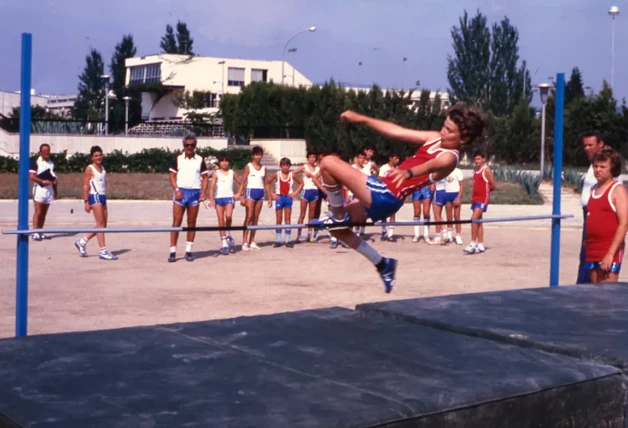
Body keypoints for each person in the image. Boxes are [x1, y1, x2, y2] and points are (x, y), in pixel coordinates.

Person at [314, 103, 484, 292]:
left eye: (449, 130)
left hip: (386, 194)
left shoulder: (452, 157)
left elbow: (430, 166)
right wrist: (363, 119)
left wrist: (409, 173)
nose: (443, 131)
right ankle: (383, 264)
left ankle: (337, 214)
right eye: (444, 125)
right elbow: (398, 132)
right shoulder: (435, 138)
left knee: (328, 162)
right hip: (386, 195)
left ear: (464, 138)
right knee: (337, 230)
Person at [585, 147, 627, 283]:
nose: (598, 170)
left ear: (612, 169)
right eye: (596, 166)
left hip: (609, 250)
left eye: (603, 166)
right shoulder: (593, 189)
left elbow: (624, 223)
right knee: (594, 295)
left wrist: (610, 254)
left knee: (607, 297)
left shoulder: (617, 190)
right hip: (592, 250)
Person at [168, 135, 209, 262]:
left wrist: (203, 192)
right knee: (176, 221)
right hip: (181, 192)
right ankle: (173, 251)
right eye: (187, 145)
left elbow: (205, 177)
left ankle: (188, 251)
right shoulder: (178, 158)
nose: (189, 147)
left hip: (194, 193)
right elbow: (171, 176)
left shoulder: (200, 159)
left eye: (192, 145)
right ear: (184, 146)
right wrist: (176, 190)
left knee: (192, 223)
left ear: (195, 146)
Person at [74, 146, 118, 260]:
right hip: (94, 196)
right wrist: (86, 201)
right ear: (92, 157)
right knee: (100, 224)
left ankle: (82, 242)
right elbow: (85, 186)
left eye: (100, 155)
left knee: (103, 225)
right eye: (96, 156)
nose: (98, 157)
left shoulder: (103, 168)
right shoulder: (89, 168)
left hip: (103, 197)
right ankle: (103, 251)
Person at [577, 132, 606, 283]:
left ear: (600, 144)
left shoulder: (605, 165)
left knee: (590, 257)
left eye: (590, 145)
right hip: (588, 215)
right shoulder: (593, 163)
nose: (586, 148)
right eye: (585, 145)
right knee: (585, 255)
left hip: (597, 214)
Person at [235, 146, 272, 251]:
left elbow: (266, 183)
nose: (258, 157)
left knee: (256, 217)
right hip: (250, 192)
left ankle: (252, 241)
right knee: (249, 216)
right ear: (253, 155)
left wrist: (269, 197)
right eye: (256, 154)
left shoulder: (264, 168)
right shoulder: (249, 166)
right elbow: (243, 181)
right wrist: (240, 195)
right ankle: (244, 241)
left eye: (260, 154)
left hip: (260, 193)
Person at [464, 151, 496, 254]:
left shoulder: (486, 170)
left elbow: (493, 185)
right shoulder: (475, 171)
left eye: (478, 159)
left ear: (483, 159)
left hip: (482, 199)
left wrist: (485, 193)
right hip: (475, 199)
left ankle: (473, 243)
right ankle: (481, 245)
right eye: (475, 159)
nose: (477, 161)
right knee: (479, 222)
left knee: (473, 219)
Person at [208, 155, 240, 255]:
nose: (224, 163)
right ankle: (224, 243)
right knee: (221, 220)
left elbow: (241, 183)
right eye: (222, 161)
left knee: (228, 216)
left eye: (226, 161)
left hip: (229, 198)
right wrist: (211, 199)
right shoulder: (216, 174)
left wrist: (239, 193)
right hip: (219, 198)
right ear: (219, 163)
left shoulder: (232, 173)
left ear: (229, 163)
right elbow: (212, 187)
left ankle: (228, 233)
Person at [268, 158, 304, 248]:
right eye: (283, 165)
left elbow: (301, 183)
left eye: (287, 165)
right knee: (279, 219)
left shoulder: (292, 175)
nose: (285, 167)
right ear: (280, 166)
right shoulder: (277, 174)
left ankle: (288, 240)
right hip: (279, 198)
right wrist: (272, 194)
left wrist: (295, 193)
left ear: (289, 166)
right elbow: (266, 182)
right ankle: (278, 240)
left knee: (288, 219)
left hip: (288, 198)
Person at [29, 143, 57, 241]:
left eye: (48, 150)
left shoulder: (51, 163)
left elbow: (54, 178)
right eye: (44, 150)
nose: (46, 152)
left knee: (44, 213)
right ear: (40, 152)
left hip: (49, 190)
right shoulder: (36, 162)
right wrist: (43, 181)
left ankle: (40, 231)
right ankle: (34, 232)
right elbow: (32, 177)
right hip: (39, 189)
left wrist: (55, 190)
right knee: (38, 211)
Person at [432, 167, 464, 245]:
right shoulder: (445, 171)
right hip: (447, 194)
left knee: (457, 216)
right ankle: (449, 235)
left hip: (455, 194)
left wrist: (459, 197)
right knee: (449, 216)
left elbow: (462, 185)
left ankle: (458, 235)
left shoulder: (458, 171)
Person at [296, 152, 321, 243]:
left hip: (314, 191)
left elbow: (319, 180)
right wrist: (301, 182)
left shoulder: (318, 169)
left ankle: (309, 235)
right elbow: (293, 173)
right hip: (306, 191)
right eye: (310, 157)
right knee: (302, 214)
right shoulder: (304, 167)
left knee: (312, 214)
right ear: (307, 158)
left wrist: (310, 175)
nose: (312, 159)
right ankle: (299, 235)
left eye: (313, 157)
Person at [378, 153, 400, 241]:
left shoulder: (398, 168)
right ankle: (383, 230)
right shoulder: (384, 168)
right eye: (395, 158)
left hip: (394, 192)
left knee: (393, 212)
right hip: (385, 191)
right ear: (390, 158)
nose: (397, 160)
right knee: (384, 212)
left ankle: (391, 234)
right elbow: (379, 179)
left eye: (398, 158)